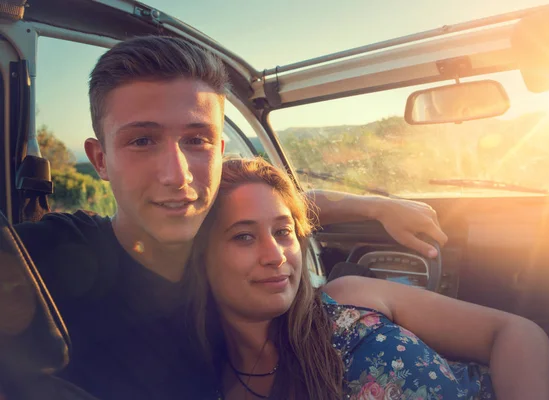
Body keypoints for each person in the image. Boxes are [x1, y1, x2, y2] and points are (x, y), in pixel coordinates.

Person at [11, 36, 446, 400]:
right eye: (142, 140)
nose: (176, 176)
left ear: (220, 154)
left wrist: (376, 206)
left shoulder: (233, 260)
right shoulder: (44, 259)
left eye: (197, 139)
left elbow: (272, 205)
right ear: (100, 159)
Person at [190, 157, 549, 400]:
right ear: (199, 255)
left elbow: (515, 332)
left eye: (284, 233)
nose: (276, 255)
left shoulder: (345, 298)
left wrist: (373, 206)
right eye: (243, 237)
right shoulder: (203, 376)